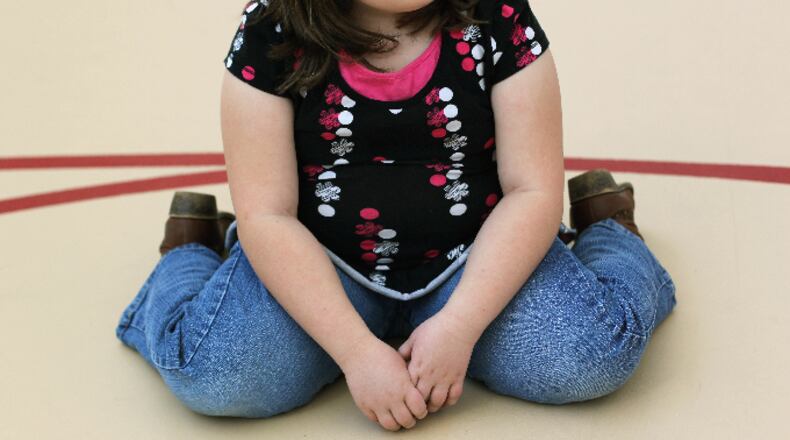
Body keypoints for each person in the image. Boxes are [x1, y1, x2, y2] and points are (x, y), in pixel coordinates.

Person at [115, 0, 678, 432]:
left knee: (594, 354)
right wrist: (357, 353)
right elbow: (268, 215)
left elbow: (531, 191)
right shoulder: (272, 28)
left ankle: (610, 233)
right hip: (322, 267)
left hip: (474, 263)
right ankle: (188, 254)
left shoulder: (497, 16)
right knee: (214, 375)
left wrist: (459, 325)